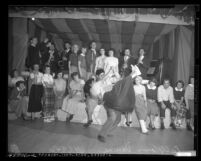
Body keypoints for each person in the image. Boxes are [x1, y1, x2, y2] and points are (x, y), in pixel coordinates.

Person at [97, 65, 140, 142]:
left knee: (118, 119)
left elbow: (127, 81)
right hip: (109, 102)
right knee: (112, 117)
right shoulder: (118, 82)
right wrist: (133, 72)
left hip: (116, 104)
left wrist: (133, 73)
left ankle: (108, 131)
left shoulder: (122, 83)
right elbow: (126, 80)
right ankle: (101, 135)